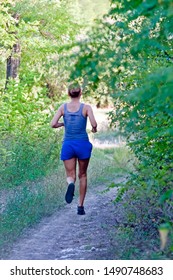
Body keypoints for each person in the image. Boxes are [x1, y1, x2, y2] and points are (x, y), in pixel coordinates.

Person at [51, 84, 97, 215]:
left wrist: (63, 123)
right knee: (83, 175)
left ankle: (70, 183)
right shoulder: (86, 108)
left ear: (68, 93)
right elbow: (94, 124)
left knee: (70, 175)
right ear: (80, 93)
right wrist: (94, 129)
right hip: (82, 144)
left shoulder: (63, 107)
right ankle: (80, 206)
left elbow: (53, 124)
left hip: (68, 145)